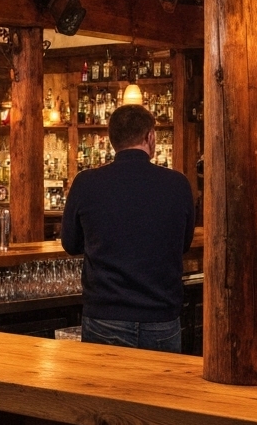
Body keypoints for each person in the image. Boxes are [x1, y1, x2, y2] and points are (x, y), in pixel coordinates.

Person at [61, 104, 195, 352]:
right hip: (161, 316)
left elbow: (71, 244)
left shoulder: (86, 183)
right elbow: (184, 244)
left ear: (112, 141)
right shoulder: (177, 184)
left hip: (105, 315)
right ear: (150, 137)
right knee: (161, 391)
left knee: (103, 391)